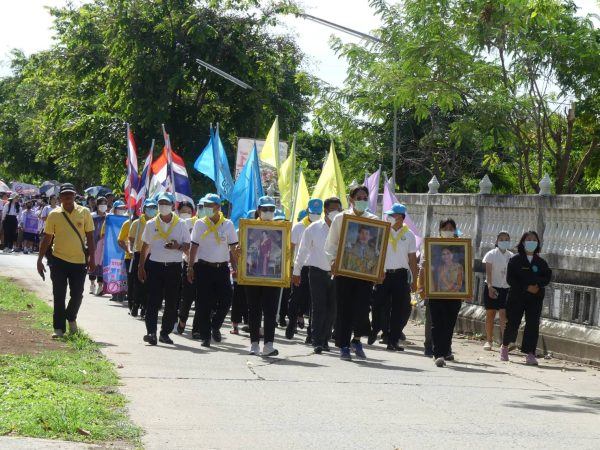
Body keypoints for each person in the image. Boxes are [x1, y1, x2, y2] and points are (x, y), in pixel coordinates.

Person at [325, 185, 379, 361]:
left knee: (362, 309)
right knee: (344, 309)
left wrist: (380, 270)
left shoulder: (374, 220)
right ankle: (344, 345)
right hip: (344, 272)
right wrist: (333, 261)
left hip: (365, 275)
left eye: (365, 198)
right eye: (359, 198)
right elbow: (331, 244)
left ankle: (357, 340)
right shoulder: (341, 219)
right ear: (351, 199)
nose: (362, 201)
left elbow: (379, 249)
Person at [37, 183, 95, 338]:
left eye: (71, 194)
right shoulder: (54, 214)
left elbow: (90, 236)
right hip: (58, 260)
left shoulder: (85, 212)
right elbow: (47, 238)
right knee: (59, 295)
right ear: (60, 197)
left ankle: (71, 317)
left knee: (77, 295)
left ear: (75, 195)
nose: (68, 197)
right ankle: (59, 329)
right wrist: (39, 259)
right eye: (65, 194)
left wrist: (93, 259)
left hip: (79, 261)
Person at [138, 193, 190, 346]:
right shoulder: (151, 224)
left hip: (173, 268)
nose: (163, 206)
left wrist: (177, 247)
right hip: (155, 266)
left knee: (172, 303)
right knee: (153, 301)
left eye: (166, 203)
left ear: (173, 206)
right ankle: (151, 332)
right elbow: (145, 246)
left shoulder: (181, 224)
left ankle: (165, 333)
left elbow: (188, 246)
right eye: (160, 203)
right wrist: (141, 266)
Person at [188, 194, 238, 348]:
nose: (207, 208)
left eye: (211, 206)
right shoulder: (199, 224)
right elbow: (193, 246)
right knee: (203, 303)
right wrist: (190, 266)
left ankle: (215, 325)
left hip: (222, 268)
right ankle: (205, 336)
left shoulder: (228, 224)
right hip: (203, 267)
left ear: (218, 207)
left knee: (226, 299)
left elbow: (233, 248)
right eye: (206, 206)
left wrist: (236, 267)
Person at [293, 197, 342, 354]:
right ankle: (317, 340)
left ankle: (326, 338)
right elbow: (302, 250)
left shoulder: (344, 229)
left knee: (332, 309)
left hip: (337, 274)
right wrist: (296, 271)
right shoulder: (313, 228)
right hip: (316, 272)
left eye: (339, 209)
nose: (337, 212)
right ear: (326, 211)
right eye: (334, 209)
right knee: (318, 307)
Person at [370, 203, 418, 351]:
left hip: (400, 275)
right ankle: (376, 327)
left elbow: (412, 259)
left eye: (392, 215)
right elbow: (374, 253)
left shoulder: (409, 235)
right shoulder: (383, 231)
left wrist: (414, 280)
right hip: (383, 274)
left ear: (401, 217)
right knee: (377, 304)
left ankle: (393, 340)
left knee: (399, 308)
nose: (389, 217)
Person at [500, 231, 552, 365]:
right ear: (523, 242)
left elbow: (547, 277)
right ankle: (505, 346)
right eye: (529, 239)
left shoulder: (541, 262)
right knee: (512, 323)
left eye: (534, 240)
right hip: (517, 297)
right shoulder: (515, 260)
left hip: (535, 299)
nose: (531, 242)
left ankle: (530, 353)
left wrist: (537, 285)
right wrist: (526, 287)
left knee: (533, 325)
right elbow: (510, 279)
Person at [421, 218, 467, 367]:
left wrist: (463, 291)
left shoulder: (461, 254)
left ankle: (446, 349)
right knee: (436, 323)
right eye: (445, 228)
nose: (448, 230)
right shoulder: (431, 246)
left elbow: (462, 280)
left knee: (449, 324)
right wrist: (422, 286)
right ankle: (438, 353)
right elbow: (424, 269)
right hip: (436, 295)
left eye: (450, 228)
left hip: (454, 297)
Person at [244, 196, 281, 357]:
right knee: (254, 311)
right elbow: (242, 249)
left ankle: (268, 345)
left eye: (271, 209)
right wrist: (240, 251)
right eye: (265, 209)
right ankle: (254, 344)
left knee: (271, 312)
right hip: (252, 274)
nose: (268, 212)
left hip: (272, 276)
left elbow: (282, 252)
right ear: (258, 210)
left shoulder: (281, 229)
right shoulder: (247, 228)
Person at [286, 199, 321, 341]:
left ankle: (311, 332)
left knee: (314, 301)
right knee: (295, 298)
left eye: (318, 213)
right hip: (300, 267)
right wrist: (290, 267)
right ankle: (292, 324)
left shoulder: (322, 227)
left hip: (316, 267)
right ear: (307, 211)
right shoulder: (299, 227)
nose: (315, 215)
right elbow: (291, 247)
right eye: (313, 212)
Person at [482, 231, 512, 351]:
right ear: (497, 241)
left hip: (506, 288)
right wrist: (490, 286)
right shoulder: (490, 255)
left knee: (504, 315)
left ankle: (504, 343)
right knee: (490, 313)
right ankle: (488, 340)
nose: (504, 241)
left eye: (506, 239)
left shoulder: (512, 256)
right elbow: (488, 273)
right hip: (492, 286)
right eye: (501, 239)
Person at [177, 198, 203, 337]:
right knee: (187, 296)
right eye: (202, 207)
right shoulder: (187, 223)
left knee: (202, 297)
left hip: (205, 265)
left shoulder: (212, 225)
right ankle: (182, 319)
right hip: (188, 263)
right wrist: (190, 258)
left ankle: (197, 328)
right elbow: (184, 243)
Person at [128, 199, 157, 318]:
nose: (152, 210)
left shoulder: (157, 223)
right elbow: (131, 239)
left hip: (153, 256)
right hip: (139, 255)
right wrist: (130, 250)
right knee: (138, 282)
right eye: (149, 208)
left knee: (149, 284)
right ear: (144, 209)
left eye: (154, 208)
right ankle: (135, 305)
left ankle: (145, 308)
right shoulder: (137, 223)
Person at [89, 196, 108, 295]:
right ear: (97, 205)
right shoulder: (92, 216)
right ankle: (92, 284)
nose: (103, 206)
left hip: (104, 244)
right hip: (93, 243)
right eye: (101, 204)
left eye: (105, 204)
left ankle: (100, 286)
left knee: (101, 264)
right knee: (93, 262)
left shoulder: (109, 217)